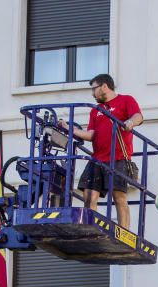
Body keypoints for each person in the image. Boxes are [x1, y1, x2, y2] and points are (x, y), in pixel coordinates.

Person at [60, 74, 142, 229]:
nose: (92, 93)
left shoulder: (126, 100)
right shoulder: (95, 110)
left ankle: (123, 233)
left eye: (94, 89)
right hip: (97, 159)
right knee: (89, 196)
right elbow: (91, 134)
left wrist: (129, 123)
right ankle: (90, 228)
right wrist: (69, 129)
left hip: (118, 158)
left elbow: (138, 116)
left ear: (104, 86)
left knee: (119, 197)